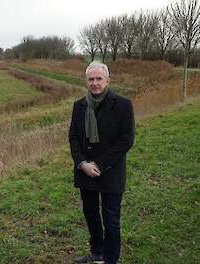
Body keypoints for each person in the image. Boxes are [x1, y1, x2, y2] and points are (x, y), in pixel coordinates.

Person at [69, 61, 135, 264]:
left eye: (99, 79)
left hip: (110, 172)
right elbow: (73, 137)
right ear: (86, 81)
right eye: (91, 79)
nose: (95, 83)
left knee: (111, 220)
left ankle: (110, 260)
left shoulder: (123, 104)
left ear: (107, 80)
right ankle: (97, 253)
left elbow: (126, 140)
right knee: (91, 215)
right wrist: (82, 163)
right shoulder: (79, 105)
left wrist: (98, 164)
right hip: (85, 171)